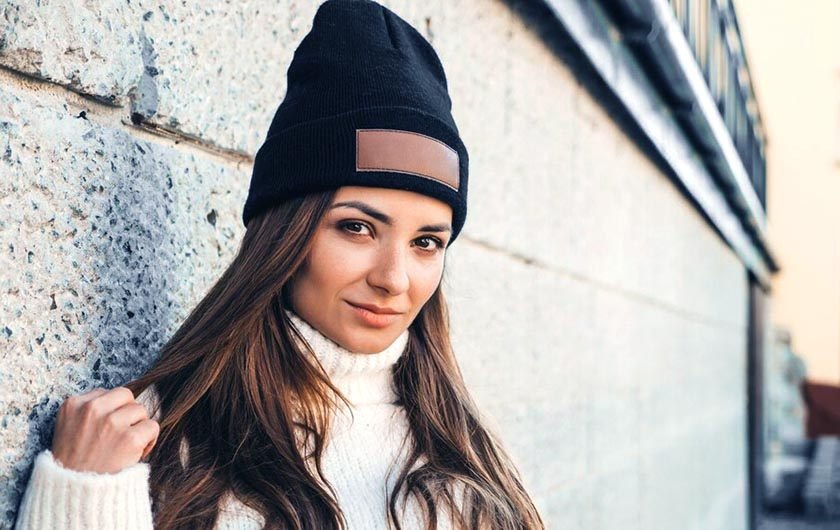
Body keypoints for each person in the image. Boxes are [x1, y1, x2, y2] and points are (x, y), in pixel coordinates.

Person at [14, 1, 545, 529]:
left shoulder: (474, 460)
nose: (394, 278)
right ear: (285, 234)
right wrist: (83, 495)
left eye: (427, 242)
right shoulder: (155, 437)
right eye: (357, 228)